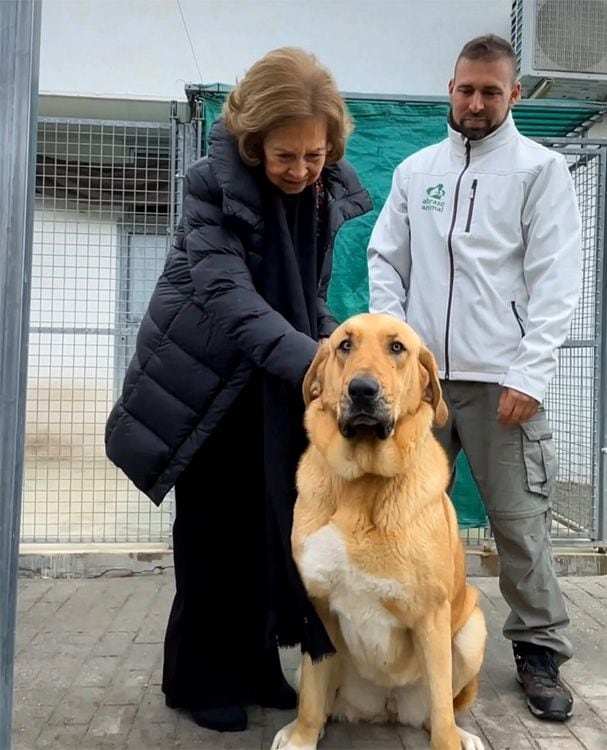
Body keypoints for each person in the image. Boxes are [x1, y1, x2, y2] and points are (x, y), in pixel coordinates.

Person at [105, 47, 372, 732]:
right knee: (211, 537)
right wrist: (320, 365)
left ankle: (256, 665)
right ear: (252, 142)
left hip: (267, 388)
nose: (301, 170)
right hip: (201, 384)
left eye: (314, 156)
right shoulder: (207, 186)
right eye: (285, 156)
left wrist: (343, 345)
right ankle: (198, 680)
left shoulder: (317, 194)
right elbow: (231, 299)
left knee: (269, 531)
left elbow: (305, 297)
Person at [367, 34, 581, 722]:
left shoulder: (540, 170)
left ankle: (538, 649)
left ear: (513, 94)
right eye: (466, 89)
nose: (476, 102)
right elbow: (384, 260)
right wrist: (398, 354)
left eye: (491, 90)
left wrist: (530, 372)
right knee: (398, 516)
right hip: (419, 386)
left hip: (502, 385)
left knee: (519, 523)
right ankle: (394, 637)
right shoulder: (415, 171)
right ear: (450, 89)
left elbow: (555, 282)